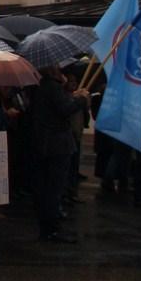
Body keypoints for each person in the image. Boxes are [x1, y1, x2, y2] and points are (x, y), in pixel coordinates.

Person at [29, 65, 88, 240]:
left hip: (44, 143)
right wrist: (81, 100)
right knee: (54, 188)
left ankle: (47, 226)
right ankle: (51, 229)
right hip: (56, 145)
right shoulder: (52, 87)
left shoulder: (41, 87)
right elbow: (64, 110)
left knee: (46, 187)